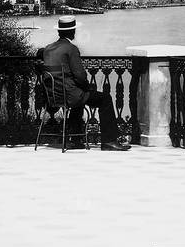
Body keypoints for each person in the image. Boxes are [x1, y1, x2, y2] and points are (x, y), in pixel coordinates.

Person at [37, 16, 131, 151]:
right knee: (105, 98)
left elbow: (39, 55)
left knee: (78, 96)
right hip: (71, 96)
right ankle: (109, 141)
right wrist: (88, 87)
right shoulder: (71, 49)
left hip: (54, 96)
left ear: (59, 32)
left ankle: (76, 140)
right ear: (72, 32)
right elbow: (80, 76)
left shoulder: (47, 49)